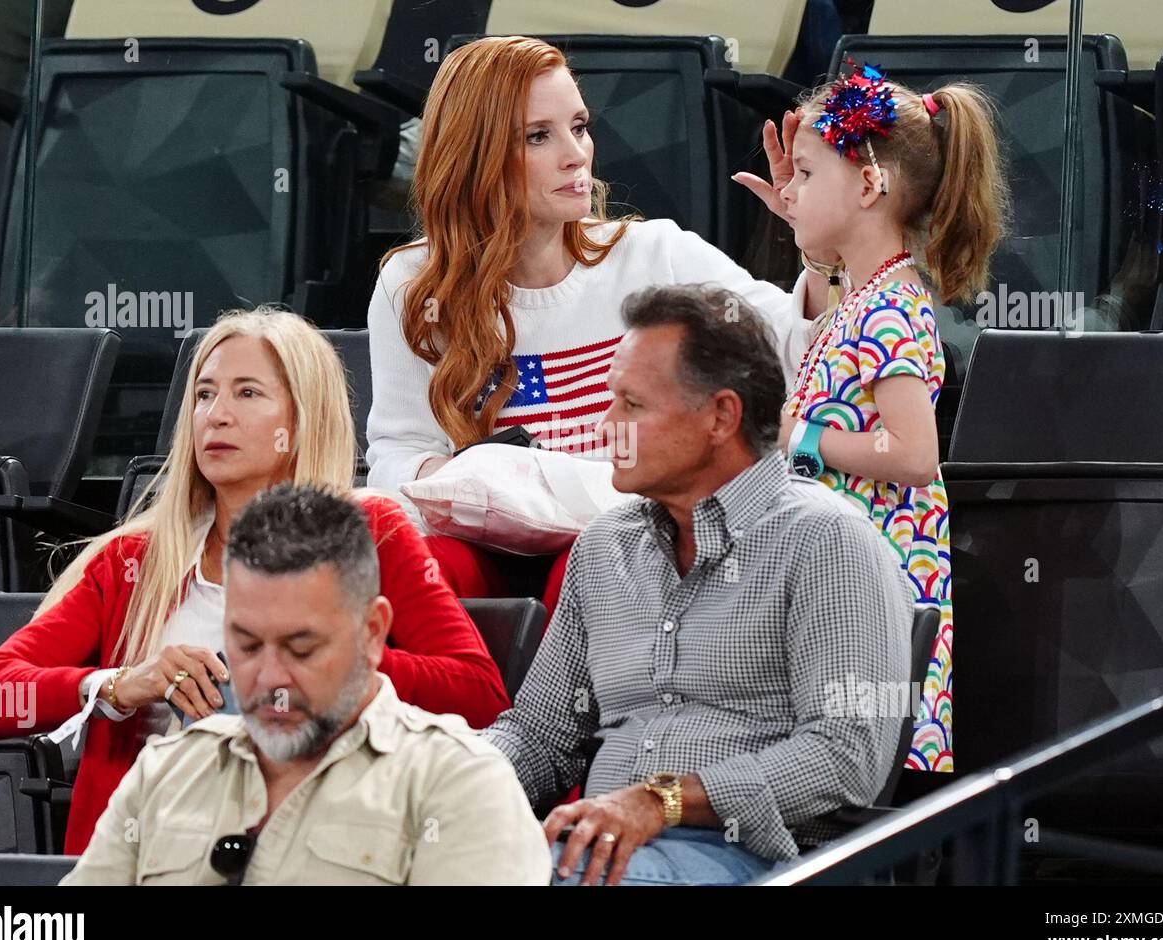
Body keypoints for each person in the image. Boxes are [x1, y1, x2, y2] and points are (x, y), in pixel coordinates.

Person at [0, 307, 509, 854]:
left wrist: (331, 662)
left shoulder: (373, 533)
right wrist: (121, 685)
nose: (216, 415)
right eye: (204, 394)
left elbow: (478, 694)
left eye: (247, 393)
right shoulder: (136, 559)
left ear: (300, 421)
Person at [365, 35, 831, 611]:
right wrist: (488, 482)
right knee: (414, 563)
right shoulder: (413, 283)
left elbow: (801, 349)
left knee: (594, 554)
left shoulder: (652, 255)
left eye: (579, 126)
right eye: (540, 136)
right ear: (475, 155)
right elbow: (397, 453)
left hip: (623, 537)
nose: (576, 153)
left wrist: (822, 246)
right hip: (482, 541)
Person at [481, 284, 914, 886]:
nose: (606, 427)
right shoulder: (605, 547)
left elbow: (847, 755)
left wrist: (663, 801)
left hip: (765, 859)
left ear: (721, 416)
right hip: (598, 854)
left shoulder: (827, 542)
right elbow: (539, 736)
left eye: (631, 404)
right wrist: (437, 782)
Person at [61, 484, 550, 885]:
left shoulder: (457, 785)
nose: (272, 678)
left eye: (302, 648)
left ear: (373, 633)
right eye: (247, 645)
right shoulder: (164, 775)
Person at [765, 65, 1011, 773]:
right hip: (844, 579)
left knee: (860, 771)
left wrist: (797, 437)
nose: (790, 190)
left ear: (869, 186)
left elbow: (911, 455)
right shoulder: (862, 297)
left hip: (882, 587)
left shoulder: (893, 309)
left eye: (807, 175)